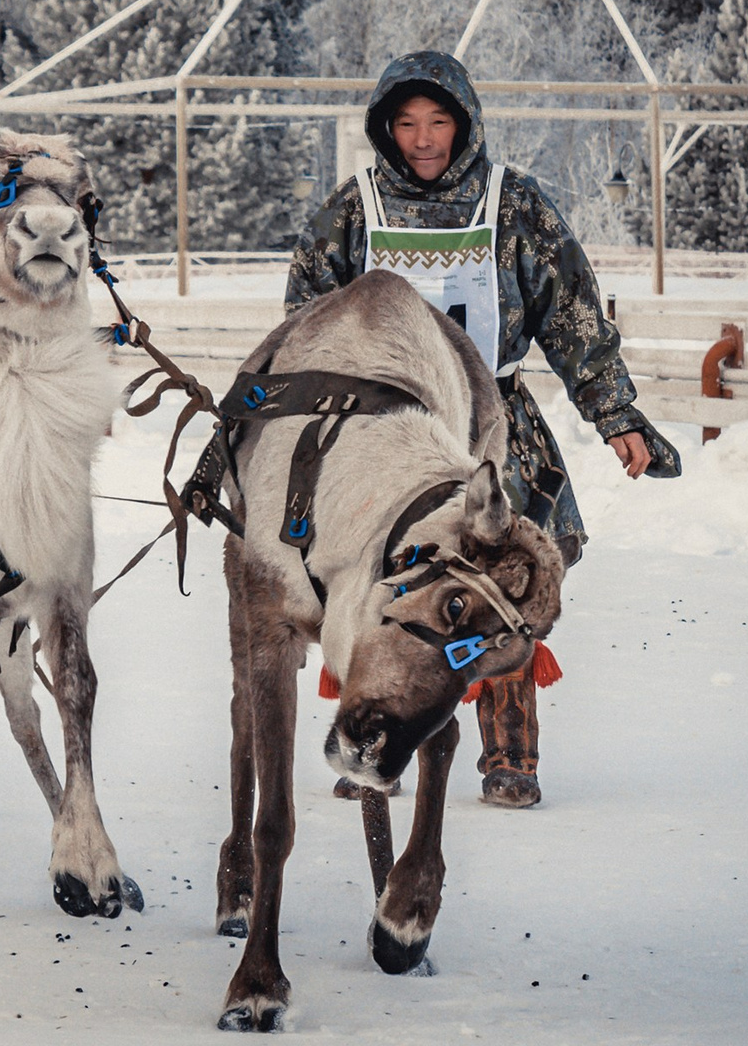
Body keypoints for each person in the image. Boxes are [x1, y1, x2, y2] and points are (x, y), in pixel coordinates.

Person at [286, 49, 678, 808]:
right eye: (406, 123)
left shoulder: (514, 206)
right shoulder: (352, 211)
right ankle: (371, 735)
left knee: (502, 582)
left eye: (438, 122)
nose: (423, 138)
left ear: (463, 125)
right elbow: (307, 320)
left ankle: (510, 754)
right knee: (381, 582)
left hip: (493, 429)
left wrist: (616, 413)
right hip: (384, 435)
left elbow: (573, 317)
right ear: (385, 128)